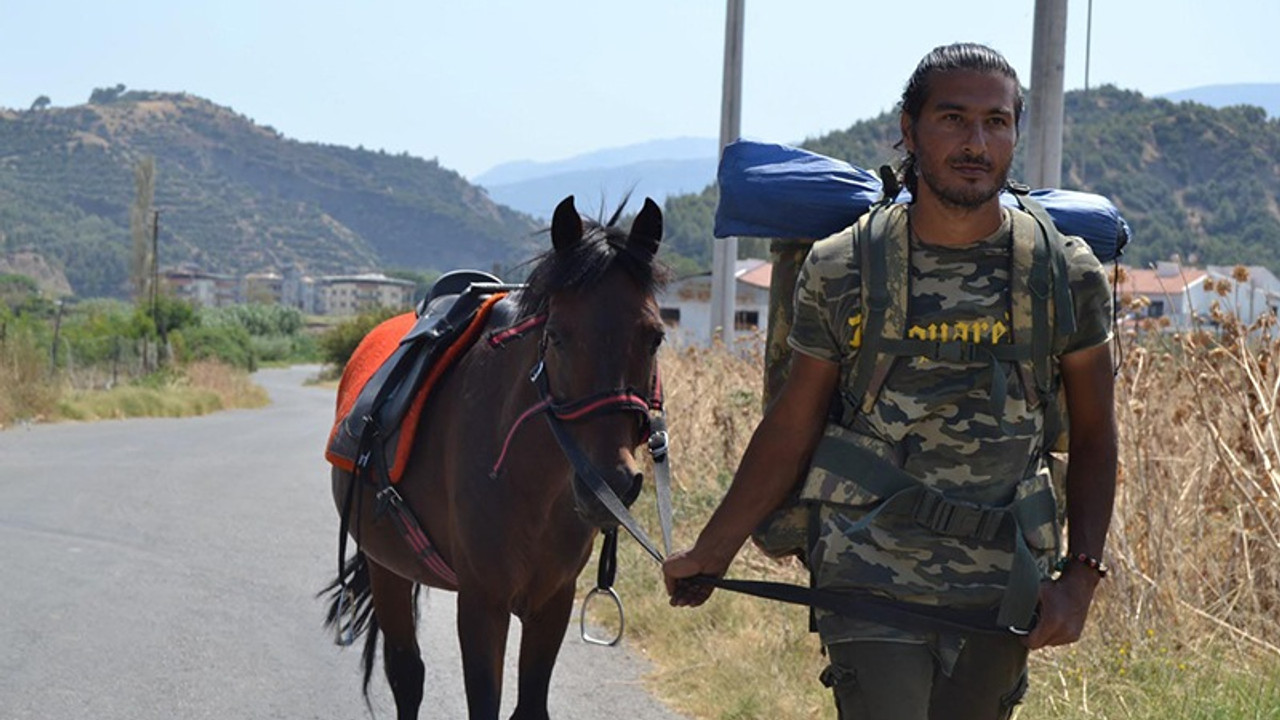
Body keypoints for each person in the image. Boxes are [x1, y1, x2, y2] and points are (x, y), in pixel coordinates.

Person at [663, 42, 1117, 719]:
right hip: (867, 578)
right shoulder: (844, 266)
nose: (976, 142)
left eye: (997, 122)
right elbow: (793, 423)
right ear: (909, 130)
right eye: (953, 119)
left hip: (1001, 586)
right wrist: (714, 550)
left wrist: (1079, 579)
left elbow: (1095, 436)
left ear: (1016, 133)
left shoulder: (1064, 273)